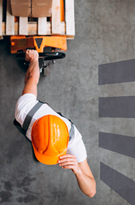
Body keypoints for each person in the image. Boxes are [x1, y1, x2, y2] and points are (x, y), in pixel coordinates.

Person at [14, 49, 96, 198]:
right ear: (32, 134)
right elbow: (31, 77)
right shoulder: (24, 111)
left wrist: (78, 170)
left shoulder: (74, 141)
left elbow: (91, 191)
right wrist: (34, 60)